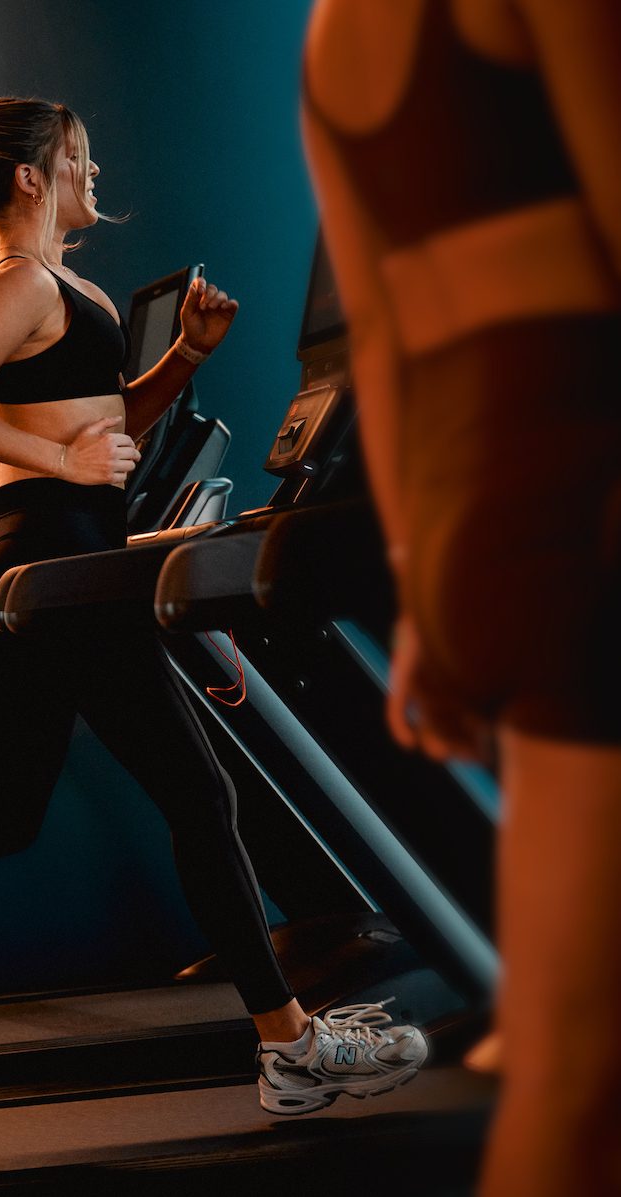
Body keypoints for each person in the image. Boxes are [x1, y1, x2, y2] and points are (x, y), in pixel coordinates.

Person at [0, 86, 427, 1106]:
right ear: (32, 175)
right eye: (80, 157)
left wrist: (186, 358)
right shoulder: (18, 281)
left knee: (0, 813)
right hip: (43, 552)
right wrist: (55, 462)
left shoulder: (79, 293)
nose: (94, 172)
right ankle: (287, 1044)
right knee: (198, 797)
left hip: (52, 548)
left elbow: (112, 432)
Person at [301, 2, 621, 1193]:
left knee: (571, 1068)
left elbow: (381, 346)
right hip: (587, 482)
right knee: (581, 1076)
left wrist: (429, 601)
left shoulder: (335, 37)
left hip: (490, 516)